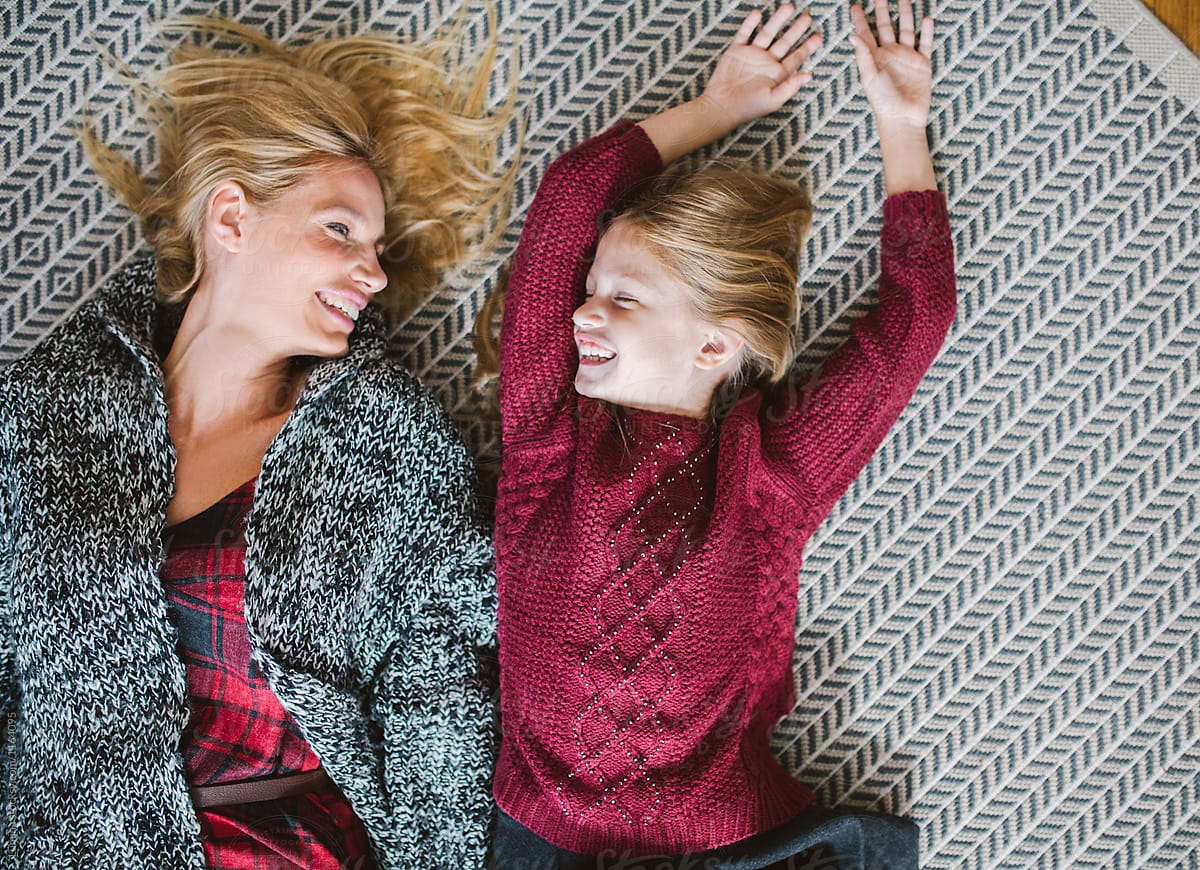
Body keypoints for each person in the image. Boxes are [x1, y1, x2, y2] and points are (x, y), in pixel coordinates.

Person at [0, 13, 516, 868]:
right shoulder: (39, 415)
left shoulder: (388, 443)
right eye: (341, 230)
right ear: (231, 216)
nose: (375, 274)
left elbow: (437, 682)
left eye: (380, 248)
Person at [480, 1, 954, 867]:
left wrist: (900, 121)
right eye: (591, 289)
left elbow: (917, 321)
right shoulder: (550, 434)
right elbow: (566, 203)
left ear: (712, 342)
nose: (582, 309)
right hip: (544, 825)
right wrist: (717, 107)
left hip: (718, 832)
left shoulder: (769, 476)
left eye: (622, 297)